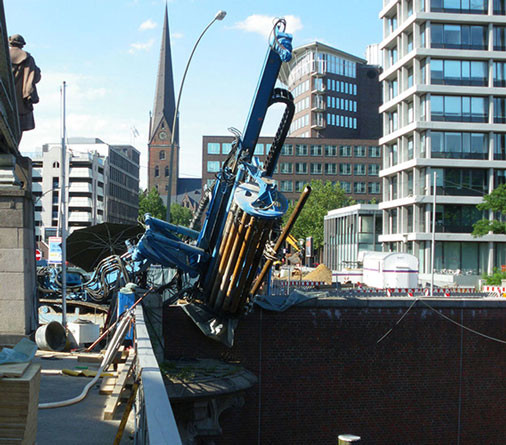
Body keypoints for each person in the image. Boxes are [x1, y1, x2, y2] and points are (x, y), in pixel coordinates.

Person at [8, 34, 41, 139]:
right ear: (22, 45)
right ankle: (14, 149)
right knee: (19, 128)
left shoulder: (3, 56)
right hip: (20, 103)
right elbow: (35, 78)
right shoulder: (28, 59)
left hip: (4, 99)